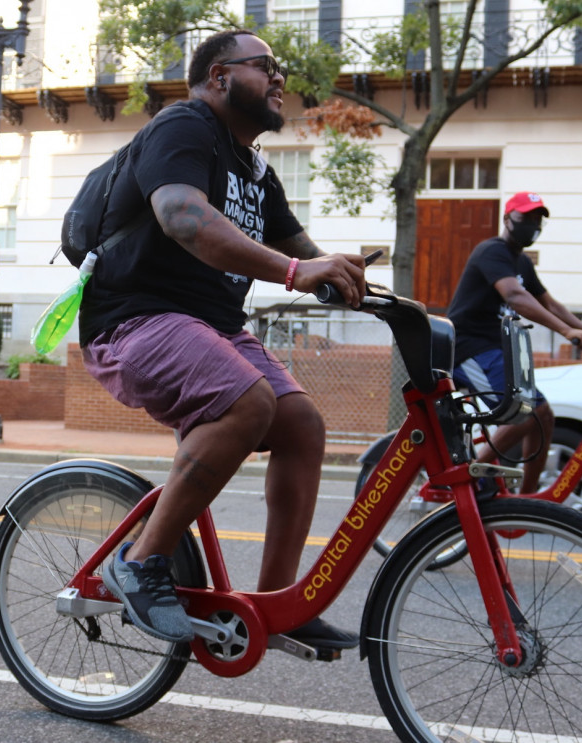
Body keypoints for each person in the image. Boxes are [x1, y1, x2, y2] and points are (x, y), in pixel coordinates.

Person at [78, 30, 368, 648]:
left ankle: (276, 603)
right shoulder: (182, 128)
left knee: (301, 427)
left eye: (280, 69)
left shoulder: (256, 172)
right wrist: (298, 273)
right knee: (248, 402)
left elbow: (300, 250)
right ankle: (139, 560)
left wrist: (345, 277)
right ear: (218, 76)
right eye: (265, 67)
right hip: (136, 319)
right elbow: (183, 215)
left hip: (212, 327)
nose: (279, 78)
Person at [446, 192, 582, 494]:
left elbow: (551, 304)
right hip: (469, 350)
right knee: (527, 416)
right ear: (508, 219)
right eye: (526, 217)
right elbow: (514, 296)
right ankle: (472, 481)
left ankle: (528, 497)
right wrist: (566, 333)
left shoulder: (521, 261)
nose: (533, 224)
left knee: (542, 414)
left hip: (496, 351)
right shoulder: (492, 251)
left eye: (538, 219)